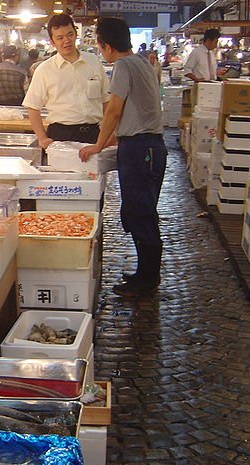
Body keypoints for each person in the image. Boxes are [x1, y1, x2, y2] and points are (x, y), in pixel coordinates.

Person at [79, 18, 167, 297]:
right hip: (148, 147)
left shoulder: (122, 66)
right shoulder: (141, 62)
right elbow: (139, 109)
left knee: (140, 213)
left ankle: (148, 279)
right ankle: (145, 273)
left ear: (105, 45)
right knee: (140, 211)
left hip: (140, 150)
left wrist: (98, 144)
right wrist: (117, 137)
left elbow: (114, 110)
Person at [23, 13, 110, 148]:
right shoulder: (44, 70)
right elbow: (33, 107)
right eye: (60, 37)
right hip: (61, 135)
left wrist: (108, 132)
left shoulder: (93, 62)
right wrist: (42, 138)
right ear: (52, 41)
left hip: (93, 134)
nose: (66, 40)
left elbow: (106, 100)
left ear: (76, 34)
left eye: (70, 34)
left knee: (93, 170)